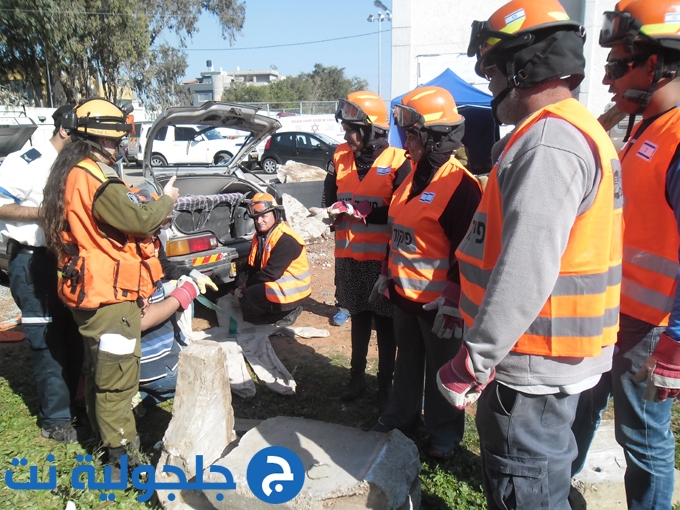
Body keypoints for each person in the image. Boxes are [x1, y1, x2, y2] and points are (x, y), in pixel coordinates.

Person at [436, 0, 622, 507]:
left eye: (492, 71)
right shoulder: (573, 129)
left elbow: (527, 266)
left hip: (530, 365)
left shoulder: (547, 145)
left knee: (526, 487)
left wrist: (474, 360)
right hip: (548, 357)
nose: (490, 85)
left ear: (524, 68)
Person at [570, 1, 680, 507]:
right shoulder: (644, 129)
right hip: (613, 314)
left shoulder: (677, 136)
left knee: (643, 440)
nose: (609, 80)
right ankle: (551, 487)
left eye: (618, 65)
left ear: (658, 63)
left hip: (652, 326)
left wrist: (676, 342)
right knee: (582, 408)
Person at [39, 98, 180, 468]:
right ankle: (124, 457)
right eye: (117, 142)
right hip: (109, 296)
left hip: (93, 292)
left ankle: (99, 431)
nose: (120, 149)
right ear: (101, 141)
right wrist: (167, 200)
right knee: (117, 378)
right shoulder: (97, 179)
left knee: (99, 368)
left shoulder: (72, 172)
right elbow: (142, 220)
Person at [369, 86, 481, 458]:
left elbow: (471, 252)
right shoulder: (410, 176)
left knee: (441, 370)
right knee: (408, 362)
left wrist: (454, 297)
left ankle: (444, 436)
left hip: (440, 308)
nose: (407, 143)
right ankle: (401, 417)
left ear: (435, 138)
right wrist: (387, 270)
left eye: (413, 134)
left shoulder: (462, 187)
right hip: (404, 298)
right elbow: (399, 233)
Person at [0, 104, 84, 443]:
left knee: (73, 334)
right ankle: (56, 421)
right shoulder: (26, 162)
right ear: (64, 130)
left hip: (68, 261)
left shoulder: (77, 166)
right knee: (46, 339)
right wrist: (45, 213)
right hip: (34, 262)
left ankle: (74, 405)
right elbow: (2, 204)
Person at [324, 90, 411, 409]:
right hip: (349, 257)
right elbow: (328, 196)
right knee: (359, 317)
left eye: (352, 129)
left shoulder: (399, 162)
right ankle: (356, 377)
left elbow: (404, 213)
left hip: (383, 262)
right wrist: (331, 213)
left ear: (373, 129)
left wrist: (365, 212)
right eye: (345, 129)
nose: (346, 135)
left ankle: (384, 386)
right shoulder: (338, 156)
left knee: (386, 325)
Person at [239, 192, 310, 327]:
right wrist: (237, 285)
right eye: (256, 217)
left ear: (275, 215)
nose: (259, 221)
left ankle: (290, 311)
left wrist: (246, 285)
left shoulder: (286, 239)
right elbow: (252, 266)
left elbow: (271, 273)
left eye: (264, 216)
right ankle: (275, 310)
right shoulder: (260, 236)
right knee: (251, 289)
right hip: (281, 284)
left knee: (253, 293)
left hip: (295, 290)